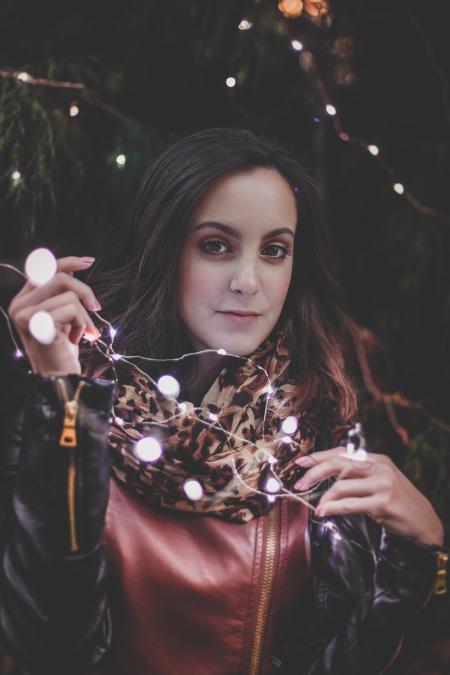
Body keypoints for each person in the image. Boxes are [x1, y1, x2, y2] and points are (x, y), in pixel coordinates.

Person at [1, 128, 448, 675]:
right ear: (162, 249)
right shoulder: (75, 412)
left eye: (275, 250)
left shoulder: (318, 424)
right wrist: (63, 392)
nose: (247, 281)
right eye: (216, 245)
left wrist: (418, 549)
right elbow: (50, 652)